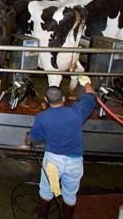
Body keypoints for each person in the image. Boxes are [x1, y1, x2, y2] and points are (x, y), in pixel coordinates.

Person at [25, 79, 97, 219]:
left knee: (47, 191)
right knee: (70, 195)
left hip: (53, 163)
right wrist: (87, 83)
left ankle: (42, 216)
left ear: (46, 100)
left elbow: (32, 138)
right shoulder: (77, 110)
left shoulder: (42, 117)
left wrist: (27, 138)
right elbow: (92, 96)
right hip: (74, 163)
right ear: (63, 98)